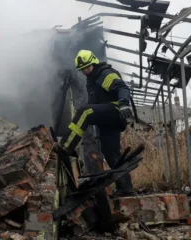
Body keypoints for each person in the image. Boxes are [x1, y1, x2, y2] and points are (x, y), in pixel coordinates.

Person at [57, 49, 135, 197]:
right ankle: (126, 188)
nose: (86, 71)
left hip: (114, 110)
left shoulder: (104, 73)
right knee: (111, 153)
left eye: (87, 67)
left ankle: (65, 147)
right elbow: (95, 102)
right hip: (107, 119)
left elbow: (122, 88)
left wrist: (124, 104)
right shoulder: (92, 80)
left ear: (93, 62)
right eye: (82, 69)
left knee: (84, 112)